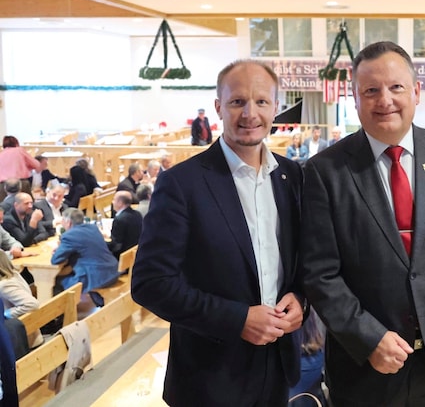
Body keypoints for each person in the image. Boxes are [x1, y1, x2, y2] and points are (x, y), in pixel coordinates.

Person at [300, 41, 425, 407]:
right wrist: (368, 337)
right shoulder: (325, 170)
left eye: (396, 87)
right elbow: (319, 273)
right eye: (370, 90)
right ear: (355, 99)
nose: (384, 100)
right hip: (364, 367)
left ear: (416, 92)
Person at [131, 59, 304, 407]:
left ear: (276, 108)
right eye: (238, 101)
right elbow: (151, 284)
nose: (250, 114)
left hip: (277, 364)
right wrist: (238, 319)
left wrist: (303, 300)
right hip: (209, 377)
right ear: (218, 107)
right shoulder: (182, 183)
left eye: (261, 102)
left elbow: (301, 263)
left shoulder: (292, 176)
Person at [51, 208, 119, 296]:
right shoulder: (93, 228)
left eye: (62, 221)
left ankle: (64, 309)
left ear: (68, 222)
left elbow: (55, 260)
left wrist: (60, 248)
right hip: (112, 271)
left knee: (55, 281)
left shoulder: (69, 236)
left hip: (95, 278)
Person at [0, 252, 42, 350]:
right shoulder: (15, 275)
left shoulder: (4, 285)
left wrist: (5, 314)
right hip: (27, 332)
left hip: (24, 340)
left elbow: (32, 304)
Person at [108, 191, 142, 258]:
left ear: (120, 203)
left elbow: (116, 246)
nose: (112, 202)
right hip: (136, 253)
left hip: (122, 257)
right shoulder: (138, 214)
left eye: (114, 199)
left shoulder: (119, 219)